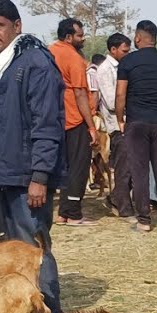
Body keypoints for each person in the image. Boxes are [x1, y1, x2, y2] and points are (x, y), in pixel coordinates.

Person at [0, 0, 65, 313]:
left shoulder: (36, 63)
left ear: (17, 26)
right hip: (8, 176)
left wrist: (39, 177)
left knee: (34, 251)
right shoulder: (4, 65)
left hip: (29, 177)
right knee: (12, 252)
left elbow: (47, 124)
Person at [116, 20, 157, 232]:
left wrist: (120, 119)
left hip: (136, 121)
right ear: (155, 38)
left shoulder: (127, 61)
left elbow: (120, 93)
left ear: (138, 38)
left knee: (139, 171)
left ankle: (143, 220)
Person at [50, 18, 99, 227]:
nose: (83, 38)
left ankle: (63, 212)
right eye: (80, 35)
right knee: (79, 166)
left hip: (53, 117)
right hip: (74, 118)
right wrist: (91, 126)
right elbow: (80, 93)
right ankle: (73, 213)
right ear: (69, 37)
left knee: (64, 167)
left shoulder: (49, 51)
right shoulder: (74, 58)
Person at [96, 34, 133, 218]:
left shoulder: (124, 67)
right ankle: (122, 206)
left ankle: (118, 198)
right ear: (113, 50)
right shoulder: (105, 70)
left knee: (132, 166)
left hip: (129, 123)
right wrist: (132, 102)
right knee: (123, 168)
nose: (128, 54)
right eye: (125, 51)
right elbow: (112, 102)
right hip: (117, 125)